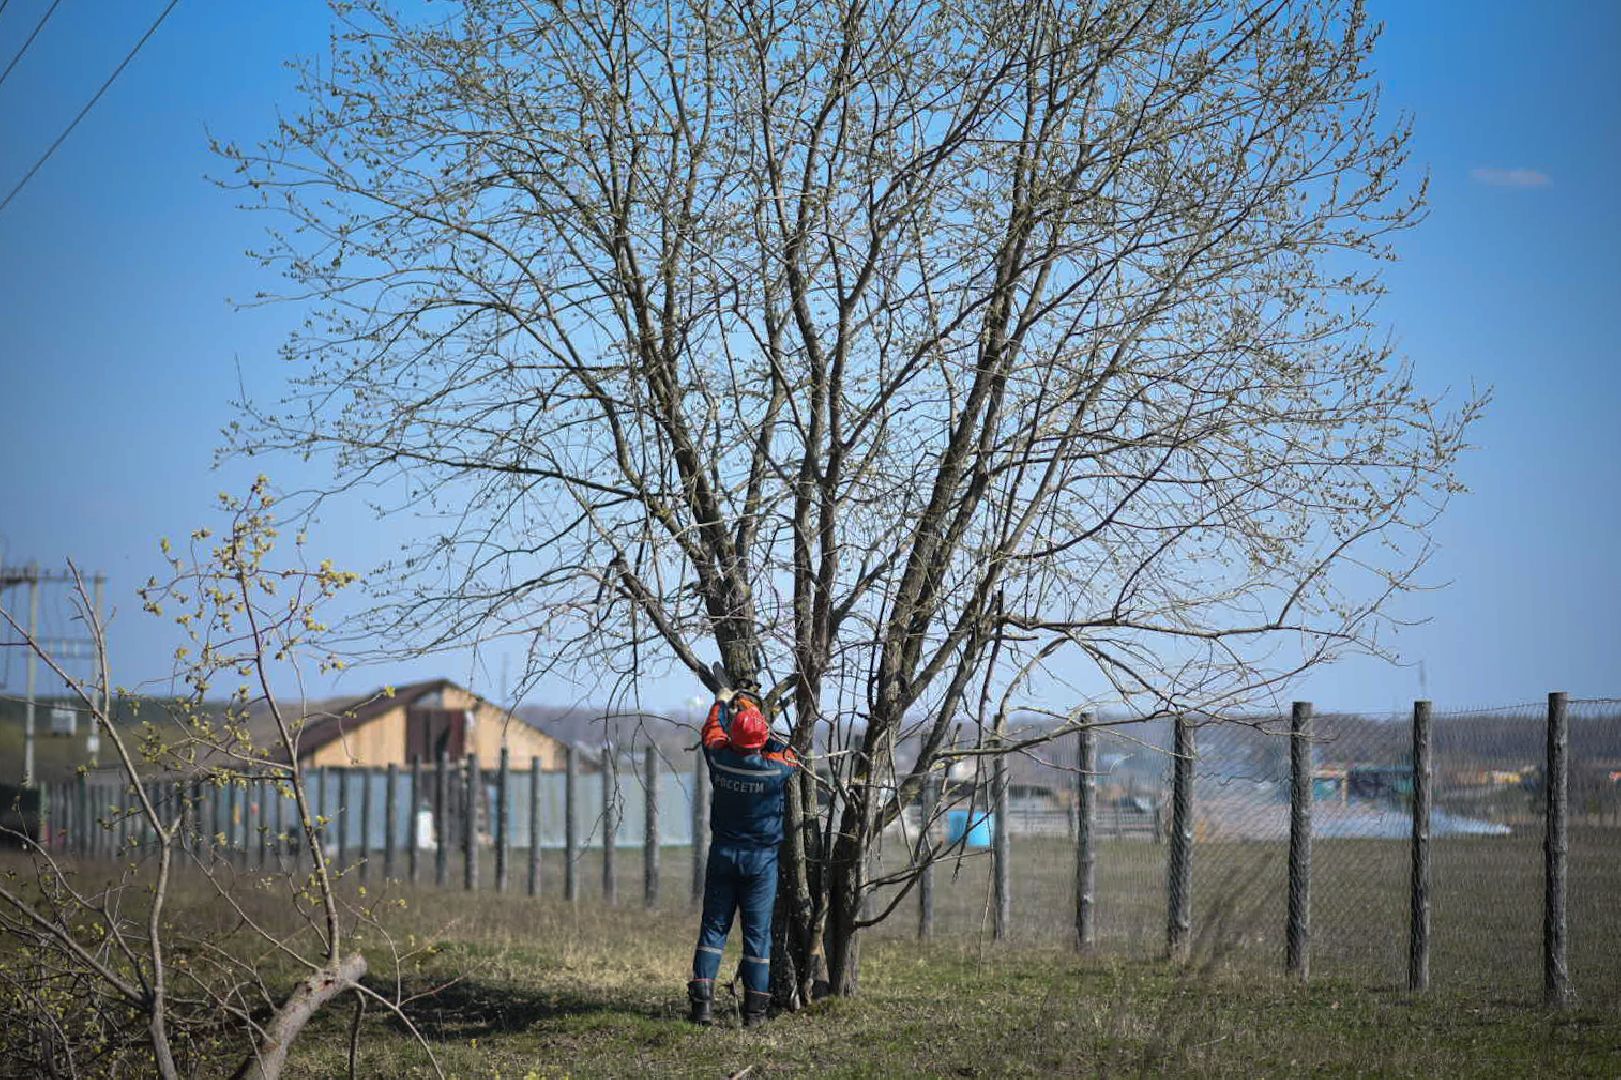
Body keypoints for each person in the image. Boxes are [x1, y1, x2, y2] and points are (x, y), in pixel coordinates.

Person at [687, 678, 797, 1028]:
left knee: (713, 929)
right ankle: (755, 1014)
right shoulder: (775, 770)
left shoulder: (720, 759)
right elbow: (788, 751)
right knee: (757, 936)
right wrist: (755, 715)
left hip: (723, 855)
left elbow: (711, 732)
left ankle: (702, 1007)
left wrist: (722, 703)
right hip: (761, 862)